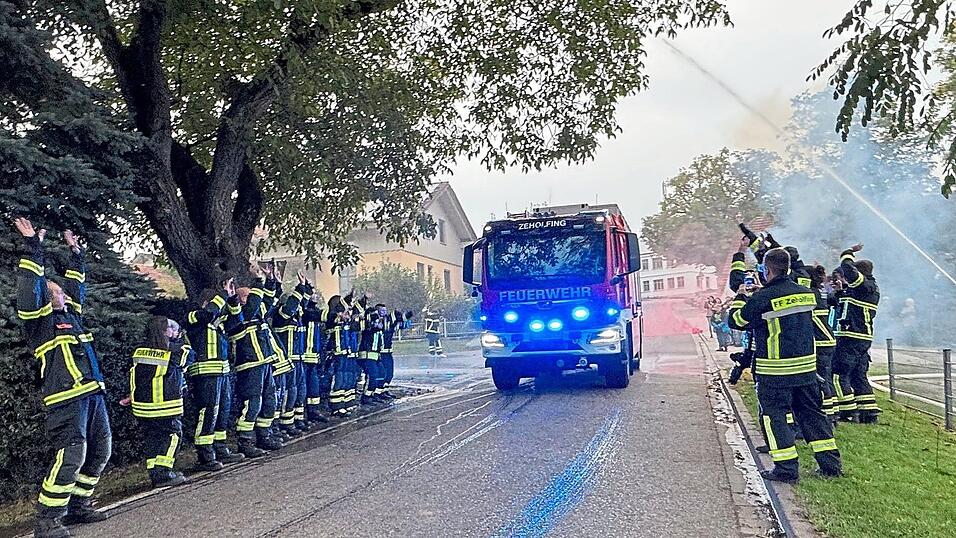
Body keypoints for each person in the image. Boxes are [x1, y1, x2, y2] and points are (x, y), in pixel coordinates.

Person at [14, 218, 111, 538]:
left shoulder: (73, 318)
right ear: (46, 297)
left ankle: (79, 505)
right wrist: (33, 246)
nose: (65, 297)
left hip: (92, 394)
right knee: (72, 455)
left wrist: (76, 253)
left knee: (101, 451)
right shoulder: (39, 324)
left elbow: (76, 286)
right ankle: (48, 519)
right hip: (66, 397)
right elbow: (31, 287)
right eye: (57, 293)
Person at [727, 243, 842, 483]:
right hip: (806, 370)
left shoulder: (763, 298)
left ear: (767, 271)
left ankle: (786, 469)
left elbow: (737, 320)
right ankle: (831, 465)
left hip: (775, 372)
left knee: (775, 417)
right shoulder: (805, 292)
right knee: (813, 416)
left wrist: (740, 297)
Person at [183, 279, 244, 471]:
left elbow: (237, 326)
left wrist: (233, 301)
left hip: (222, 372)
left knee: (223, 412)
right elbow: (208, 314)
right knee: (208, 413)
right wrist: (223, 295)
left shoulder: (217, 321)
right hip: (205, 373)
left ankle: (220, 447)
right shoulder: (194, 316)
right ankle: (205, 455)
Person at [130, 317, 192, 488]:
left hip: (143, 407)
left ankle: (155, 472)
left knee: (153, 438)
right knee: (173, 436)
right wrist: (179, 338)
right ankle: (164, 472)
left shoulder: (140, 350)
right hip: (164, 405)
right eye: (170, 329)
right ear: (164, 332)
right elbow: (189, 356)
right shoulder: (173, 352)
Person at [832, 244, 881, 424]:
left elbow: (847, 268)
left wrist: (847, 253)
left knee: (838, 373)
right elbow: (848, 306)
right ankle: (869, 414)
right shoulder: (866, 290)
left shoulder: (864, 286)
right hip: (861, 338)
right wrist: (839, 292)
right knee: (858, 376)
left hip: (851, 337)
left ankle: (848, 412)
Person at [809, 265, 838, 423]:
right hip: (828, 340)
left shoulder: (809, 294)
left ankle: (826, 415)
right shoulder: (821, 292)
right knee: (826, 378)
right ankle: (832, 414)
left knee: (820, 379)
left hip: (819, 342)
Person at [302, 291, 330, 423]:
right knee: (303, 387)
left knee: (313, 385)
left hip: (314, 355)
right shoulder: (307, 312)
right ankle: (304, 414)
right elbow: (321, 315)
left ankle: (313, 410)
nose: (316, 296)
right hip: (305, 356)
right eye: (312, 293)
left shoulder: (313, 310)